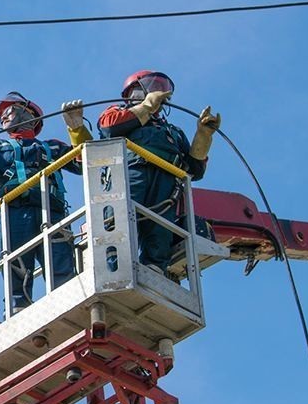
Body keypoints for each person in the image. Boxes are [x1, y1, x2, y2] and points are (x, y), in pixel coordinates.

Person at [63, 71, 220, 275]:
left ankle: (154, 268)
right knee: (120, 217)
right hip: (129, 172)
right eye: (151, 86)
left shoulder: (172, 132)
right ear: (132, 92)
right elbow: (109, 129)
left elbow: (194, 169)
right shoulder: (116, 113)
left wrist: (203, 136)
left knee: (160, 225)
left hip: (166, 180)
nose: (157, 91)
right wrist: (146, 107)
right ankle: (116, 264)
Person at [0, 92, 81, 313]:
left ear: (29, 114)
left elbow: (85, 160)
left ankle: (69, 304)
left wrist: (77, 130)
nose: (3, 117)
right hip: (14, 212)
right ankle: (19, 308)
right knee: (16, 265)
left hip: (52, 211)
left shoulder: (52, 148)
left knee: (60, 263)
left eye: (9, 110)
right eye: (1, 115)